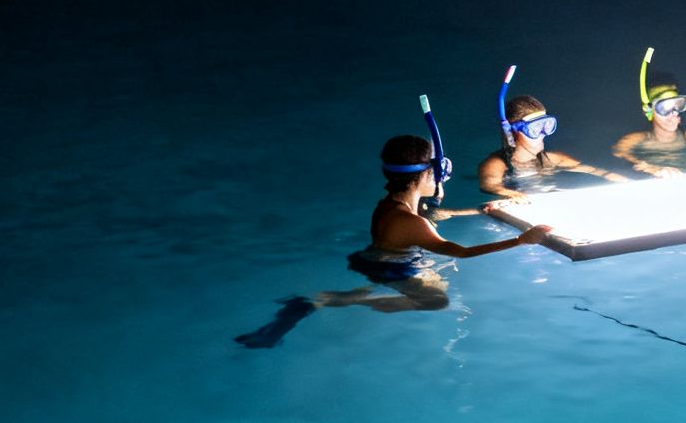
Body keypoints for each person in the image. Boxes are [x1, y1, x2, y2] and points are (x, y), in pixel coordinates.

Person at [234, 135, 549, 348]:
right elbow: (461, 252)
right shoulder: (411, 222)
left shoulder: (393, 205)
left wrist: (480, 210)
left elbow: (430, 220)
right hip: (394, 269)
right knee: (437, 301)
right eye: (437, 171)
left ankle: (330, 299)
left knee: (437, 282)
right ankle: (333, 300)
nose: (441, 177)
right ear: (424, 175)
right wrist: (521, 240)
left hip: (378, 258)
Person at [478, 95, 628, 202]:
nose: (543, 133)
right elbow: (490, 185)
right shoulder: (496, 164)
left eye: (547, 125)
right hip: (517, 206)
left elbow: (584, 168)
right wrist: (508, 193)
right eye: (536, 128)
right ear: (513, 132)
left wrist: (608, 174)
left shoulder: (551, 158)